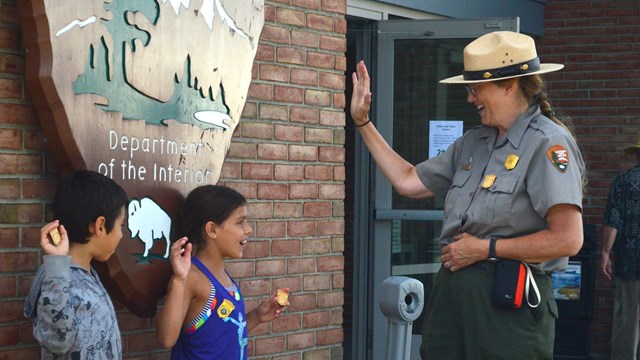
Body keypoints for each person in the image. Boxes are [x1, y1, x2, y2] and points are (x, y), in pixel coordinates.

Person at [351, 31, 585, 359]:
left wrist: (485, 248)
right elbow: (407, 181)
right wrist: (363, 122)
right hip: (453, 292)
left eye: (476, 88)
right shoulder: (474, 141)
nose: (470, 99)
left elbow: (568, 240)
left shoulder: (548, 143)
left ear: (509, 84)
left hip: (508, 301)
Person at [156, 185, 288, 359]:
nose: (249, 229)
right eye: (240, 222)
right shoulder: (193, 278)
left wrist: (257, 316)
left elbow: (220, 335)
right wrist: (179, 280)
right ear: (212, 230)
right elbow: (166, 339)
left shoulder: (223, 277)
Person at [23, 170, 129, 359]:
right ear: (100, 225)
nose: (121, 234)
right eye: (121, 225)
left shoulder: (83, 272)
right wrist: (56, 265)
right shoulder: (56, 278)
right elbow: (57, 340)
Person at [601, 132, 640, 360]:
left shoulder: (624, 181)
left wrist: (605, 254)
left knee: (629, 320)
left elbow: (612, 221)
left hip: (630, 264)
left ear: (636, 154)